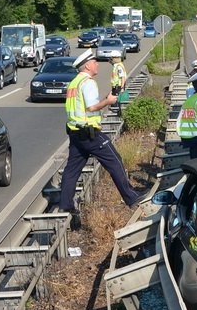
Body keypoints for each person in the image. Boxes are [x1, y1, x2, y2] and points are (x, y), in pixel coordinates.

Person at [58, 50, 142, 222]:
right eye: (95, 62)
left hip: (75, 134)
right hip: (90, 134)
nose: (97, 64)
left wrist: (103, 99)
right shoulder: (87, 82)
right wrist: (108, 101)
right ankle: (132, 198)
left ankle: (65, 204)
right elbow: (92, 108)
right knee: (115, 161)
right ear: (87, 65)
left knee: (71, 170)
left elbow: (82, 107)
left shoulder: (74, 83)